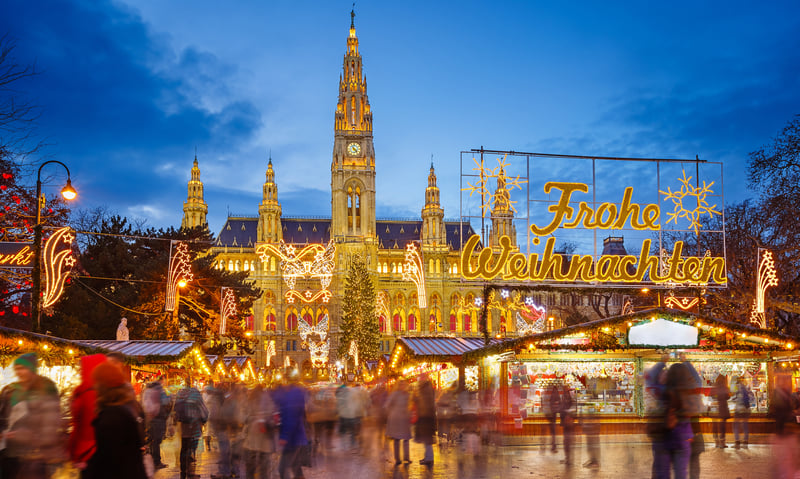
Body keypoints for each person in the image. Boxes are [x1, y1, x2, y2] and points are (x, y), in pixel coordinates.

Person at [0, 352, 65, 479]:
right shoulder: (9, 390)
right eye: (17, 369)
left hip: (33, 454)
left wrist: (29, 437)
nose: (19, 372)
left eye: (23, 368)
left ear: (32, 369)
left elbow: (50, 425)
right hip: (8, 451)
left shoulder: (45, 390)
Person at [83, 362, 148, 479]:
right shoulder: (129, 406)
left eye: (96, 383)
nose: (94, 387)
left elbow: (110, 459)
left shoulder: (112, 416)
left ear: (103, 385)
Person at [652, 362, 694, 479]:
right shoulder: (688, 393)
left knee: (663, 473)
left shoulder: (664, 392)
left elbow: (650, 377)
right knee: (681, 473)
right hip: (683, 437)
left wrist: (662, 362)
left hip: (664, 437)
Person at [68, 354, 107, 478]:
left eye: (81, 368)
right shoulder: (109, 391)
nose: (79, 371)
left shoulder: (85, 392)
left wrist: (74, 453)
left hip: (88, 452)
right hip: (100, 452)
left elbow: (81, 426)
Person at [273, 373, 309, 479]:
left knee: (283, 469)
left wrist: (285, 436)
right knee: (296, 467)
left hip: (293, 439)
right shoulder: (294, 394)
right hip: (298, 437)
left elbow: (291, 418)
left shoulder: (292, 397)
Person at [173, 378, 209, 479]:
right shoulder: (196, 393)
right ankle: (191, 472)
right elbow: (203, 410)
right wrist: (204, 420)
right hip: (194, 425)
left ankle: (183, 472)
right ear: (192, 383)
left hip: (183, 424)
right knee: (192, 448)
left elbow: (175, 408)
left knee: (184, 448)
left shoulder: (180, 393)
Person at [242, 386, 277, 479]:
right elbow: (274, 419)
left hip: (251, 440)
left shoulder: (250, 401)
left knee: (250, 468)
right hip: (265, 441)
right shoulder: (269, 401)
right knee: (264, 467)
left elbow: (244, 418)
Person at [142, 375, 171, 469]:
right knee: (157, 440)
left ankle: (150, 455)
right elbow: (166, 401)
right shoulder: (159, 390)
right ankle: (156, 461)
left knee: (152, 438)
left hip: (149, 418)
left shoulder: (146, 391)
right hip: (158, 418)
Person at [385, 379, 412, 465]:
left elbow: (410, 405)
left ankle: (406, 458)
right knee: (397, 439)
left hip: (404, 419)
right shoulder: (394, 394)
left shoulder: (407, 394)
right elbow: (387, 405)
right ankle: (397, 459)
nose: (403, 386)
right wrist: (392, 412)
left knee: (406, 439)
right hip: (396, 419)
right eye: (401, 385)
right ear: (398, 386)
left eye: (404, 385)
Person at [412, 375, 437, 466]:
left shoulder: (425, 389)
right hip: (426, 417)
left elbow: (424, 403)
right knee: (426, 439)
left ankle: (429, 458)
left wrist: (416, 398)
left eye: (420, 379)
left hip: (426, 418)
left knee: (427, 440)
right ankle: (427, 457)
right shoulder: (427, 388)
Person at [732, 376, 752, 449]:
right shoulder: (747, 388)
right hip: (747, 410)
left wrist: (734, 400)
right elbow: (752, 398)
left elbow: (737, 399)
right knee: (745, 425)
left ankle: (737, 441)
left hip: (739, 410)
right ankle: (745, 441)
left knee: (735, 425)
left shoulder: (738, 388)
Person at [713, 375, 730, 448]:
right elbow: (728, 397)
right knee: (722, 425)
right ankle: (722, 442)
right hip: (723, 408)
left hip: (715, 408)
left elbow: (711, 396)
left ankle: (716, 442)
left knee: (715, 425)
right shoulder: (725, 387)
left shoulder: (714, 387)